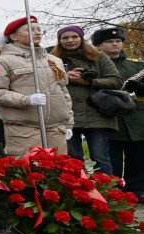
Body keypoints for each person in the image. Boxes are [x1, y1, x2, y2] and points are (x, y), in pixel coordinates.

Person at [0, 16, 73, 155]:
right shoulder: (2, 62)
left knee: (59, 173)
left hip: (55, 129)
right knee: (30, 173)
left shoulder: (54, 61)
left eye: (39, 29)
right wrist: (26, 99)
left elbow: (63, 92)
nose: (37, 32)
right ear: (14, 36)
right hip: (23, 131)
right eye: (30, 30)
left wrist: (68, 123)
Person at [51, 25, 120, 173]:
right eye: (65, 38)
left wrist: (88, 81)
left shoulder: (99, 56)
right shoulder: (51, 60)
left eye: (74, 37)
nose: (70, 40)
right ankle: (78, 194)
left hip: (98, 115)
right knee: (73, 158)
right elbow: (46, 84)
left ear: (81, 38)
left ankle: (109, 194)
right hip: (67, 115)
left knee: (100, 157)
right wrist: (66, 77)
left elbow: (116, 81)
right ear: (59, 40)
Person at [93, 26, 144, 199]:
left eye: (118, 41)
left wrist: (141, 89)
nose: (115, 44)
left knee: (138, 160)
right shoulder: (95, 65)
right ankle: (111, 193)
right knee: (109, 161)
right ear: (98, 46)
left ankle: (137, 192)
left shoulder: (137, 66)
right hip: (108, 121)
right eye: (109, 41)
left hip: (137, 122)